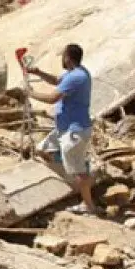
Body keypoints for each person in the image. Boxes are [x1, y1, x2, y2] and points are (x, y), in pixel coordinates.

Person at [24, 44, 96, 214]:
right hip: (64, 129)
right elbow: (58, 81)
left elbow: (52, 98)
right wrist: (38, 72)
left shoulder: (77, 76)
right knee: (43, 149)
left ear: (68, 58)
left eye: (63, 56)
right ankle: (72, 171)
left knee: (78, 171)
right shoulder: (74, 73)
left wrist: (29, 93)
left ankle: (89, 205)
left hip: (74, 131)